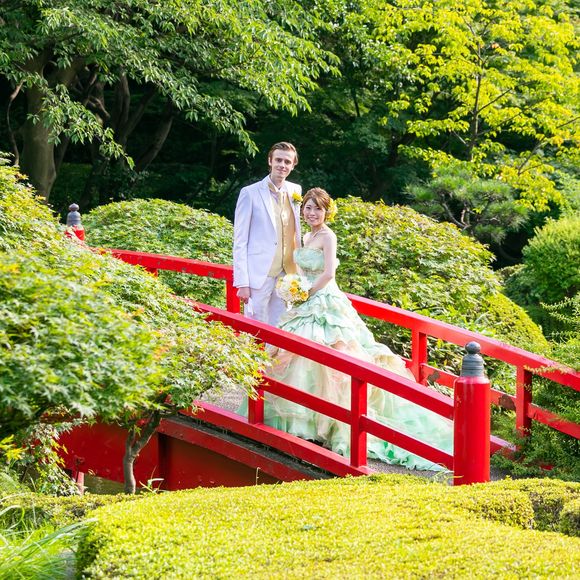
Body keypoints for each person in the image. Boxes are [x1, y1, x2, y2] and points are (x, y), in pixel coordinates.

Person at [241, 188, 453, 470]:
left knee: (333, 353)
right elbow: (300, 269)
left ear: (326, 212)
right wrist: (295, 289)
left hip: (325, 299)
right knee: (294, 353)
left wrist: (306, 293)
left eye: (317, 209)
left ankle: (330, 423)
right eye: (308, 208)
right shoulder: (306, 236)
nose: (312, 213)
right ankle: (298, 421)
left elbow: (329, 273)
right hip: (305, 300)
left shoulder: (328, 236)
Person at [233, 142, 302, 326]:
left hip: (287, 275)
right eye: (278, 160)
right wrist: (242, 283)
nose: (282, 165)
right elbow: (240, 241)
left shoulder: (296, 191)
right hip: (259, 275)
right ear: (270, 161)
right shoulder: (249, 193)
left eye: (287, 162)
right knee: (255, 328)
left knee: (281, 327)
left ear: (293, 165)